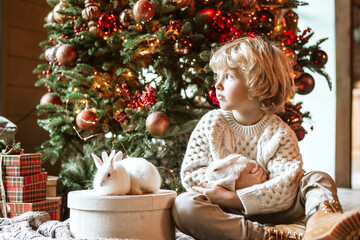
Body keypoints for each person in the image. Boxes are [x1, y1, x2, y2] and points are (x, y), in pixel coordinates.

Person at [171, 37, 360, 240]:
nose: (217, 84)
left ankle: (320, 226)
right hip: (227, 213)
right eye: (217, 76)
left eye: (228, 76)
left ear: (257, 83)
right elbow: (192, 176)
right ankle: (267, 236)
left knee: (318, 179)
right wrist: (237, 182)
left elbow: (285, 190)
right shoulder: (211, 124)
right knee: (183, 204)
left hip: (281, 211)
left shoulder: (279, 132)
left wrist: (231, 195)